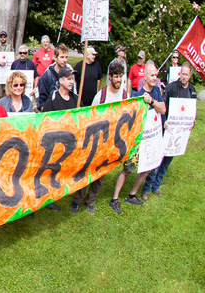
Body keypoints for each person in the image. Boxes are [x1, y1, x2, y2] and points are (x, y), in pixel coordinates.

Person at [109, 61, 166, 214]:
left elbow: (163, 109)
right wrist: (145, 103)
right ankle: (114, 198)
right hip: (138, 141)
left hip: (152, 140)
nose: (155, 78)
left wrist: (152, 101)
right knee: (128, 169)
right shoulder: (137, 95)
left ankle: (132, 194)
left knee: (148, 168)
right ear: (145, 76)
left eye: (156, 75)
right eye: (152, 75)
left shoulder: (156, 92)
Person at [72, 62, 129, 215]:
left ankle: (91, 202)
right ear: (109, 77)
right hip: (96, 140)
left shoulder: (125, 95)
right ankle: (77, 200)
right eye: (115, 76)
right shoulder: (101, 96)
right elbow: (91, 118)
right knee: (86, 171)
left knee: (101, 174)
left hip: (112, 142)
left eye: (120, 76)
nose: (118, 79)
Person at [142, 61, 195, 200]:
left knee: (167, 161)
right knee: (157, 159)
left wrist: (191, 123)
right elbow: (163, 106)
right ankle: (147, 189)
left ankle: (156, 186)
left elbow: (192, 111)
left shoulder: (192, 91)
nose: (183, 76)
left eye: (186, 74)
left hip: (179, 132)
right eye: (182, 73)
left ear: (190, 75)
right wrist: (164, 120)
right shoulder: (171, 88)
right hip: (166, 128)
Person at [36, 43, 72, 111]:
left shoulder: (70, 73)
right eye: (62, 57)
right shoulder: (47, 76)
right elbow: (42, 100)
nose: (64, 60)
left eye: (66, 57)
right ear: (55, 57)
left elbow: (73, 93)